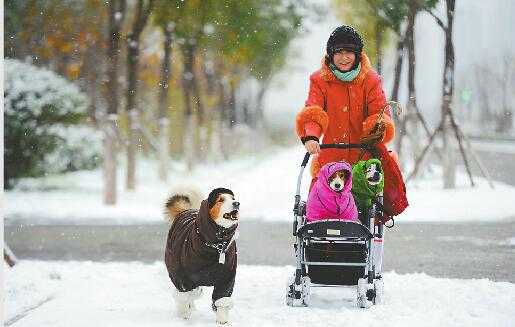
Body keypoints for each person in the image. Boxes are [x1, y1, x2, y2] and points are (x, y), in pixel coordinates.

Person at [295, 25, 396, 278]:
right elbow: (314, 111)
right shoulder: (320, 80)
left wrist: (375, 131)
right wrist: (310, 135)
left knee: (363, 215)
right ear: (330, 54)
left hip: (362, 159)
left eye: (348, 52)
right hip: (330, 162)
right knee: (319, 215)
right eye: (338, 52)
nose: (343, 57)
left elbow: (379, 112)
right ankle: (320, 261)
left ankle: (362, 266)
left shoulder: (370, 80)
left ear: (357, 54)